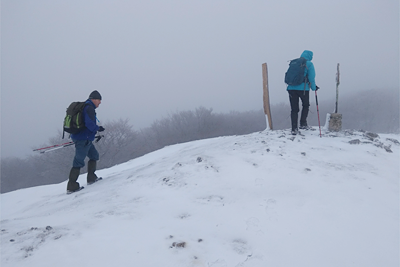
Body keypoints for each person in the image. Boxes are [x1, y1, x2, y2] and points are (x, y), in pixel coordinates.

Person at [67, 90, 105, 194]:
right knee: (78, 161)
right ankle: (72, 186)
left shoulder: (86, 107)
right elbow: (89, 124)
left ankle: (91, 178)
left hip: (84, 137)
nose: (100, 103)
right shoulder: (89, 108)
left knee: (94, 155)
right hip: (83, 138)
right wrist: (97, 128)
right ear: (94, 99)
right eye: (99, 100)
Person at [287, 50, 317, 135]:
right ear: (310, 56)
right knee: (306, 105)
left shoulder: (294, 63)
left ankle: (294, 128)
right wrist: (314, 88)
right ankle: (303, 124)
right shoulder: (309, 64)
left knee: (294, 109)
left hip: (291, 88)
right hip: (303, 89)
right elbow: (311, 78)